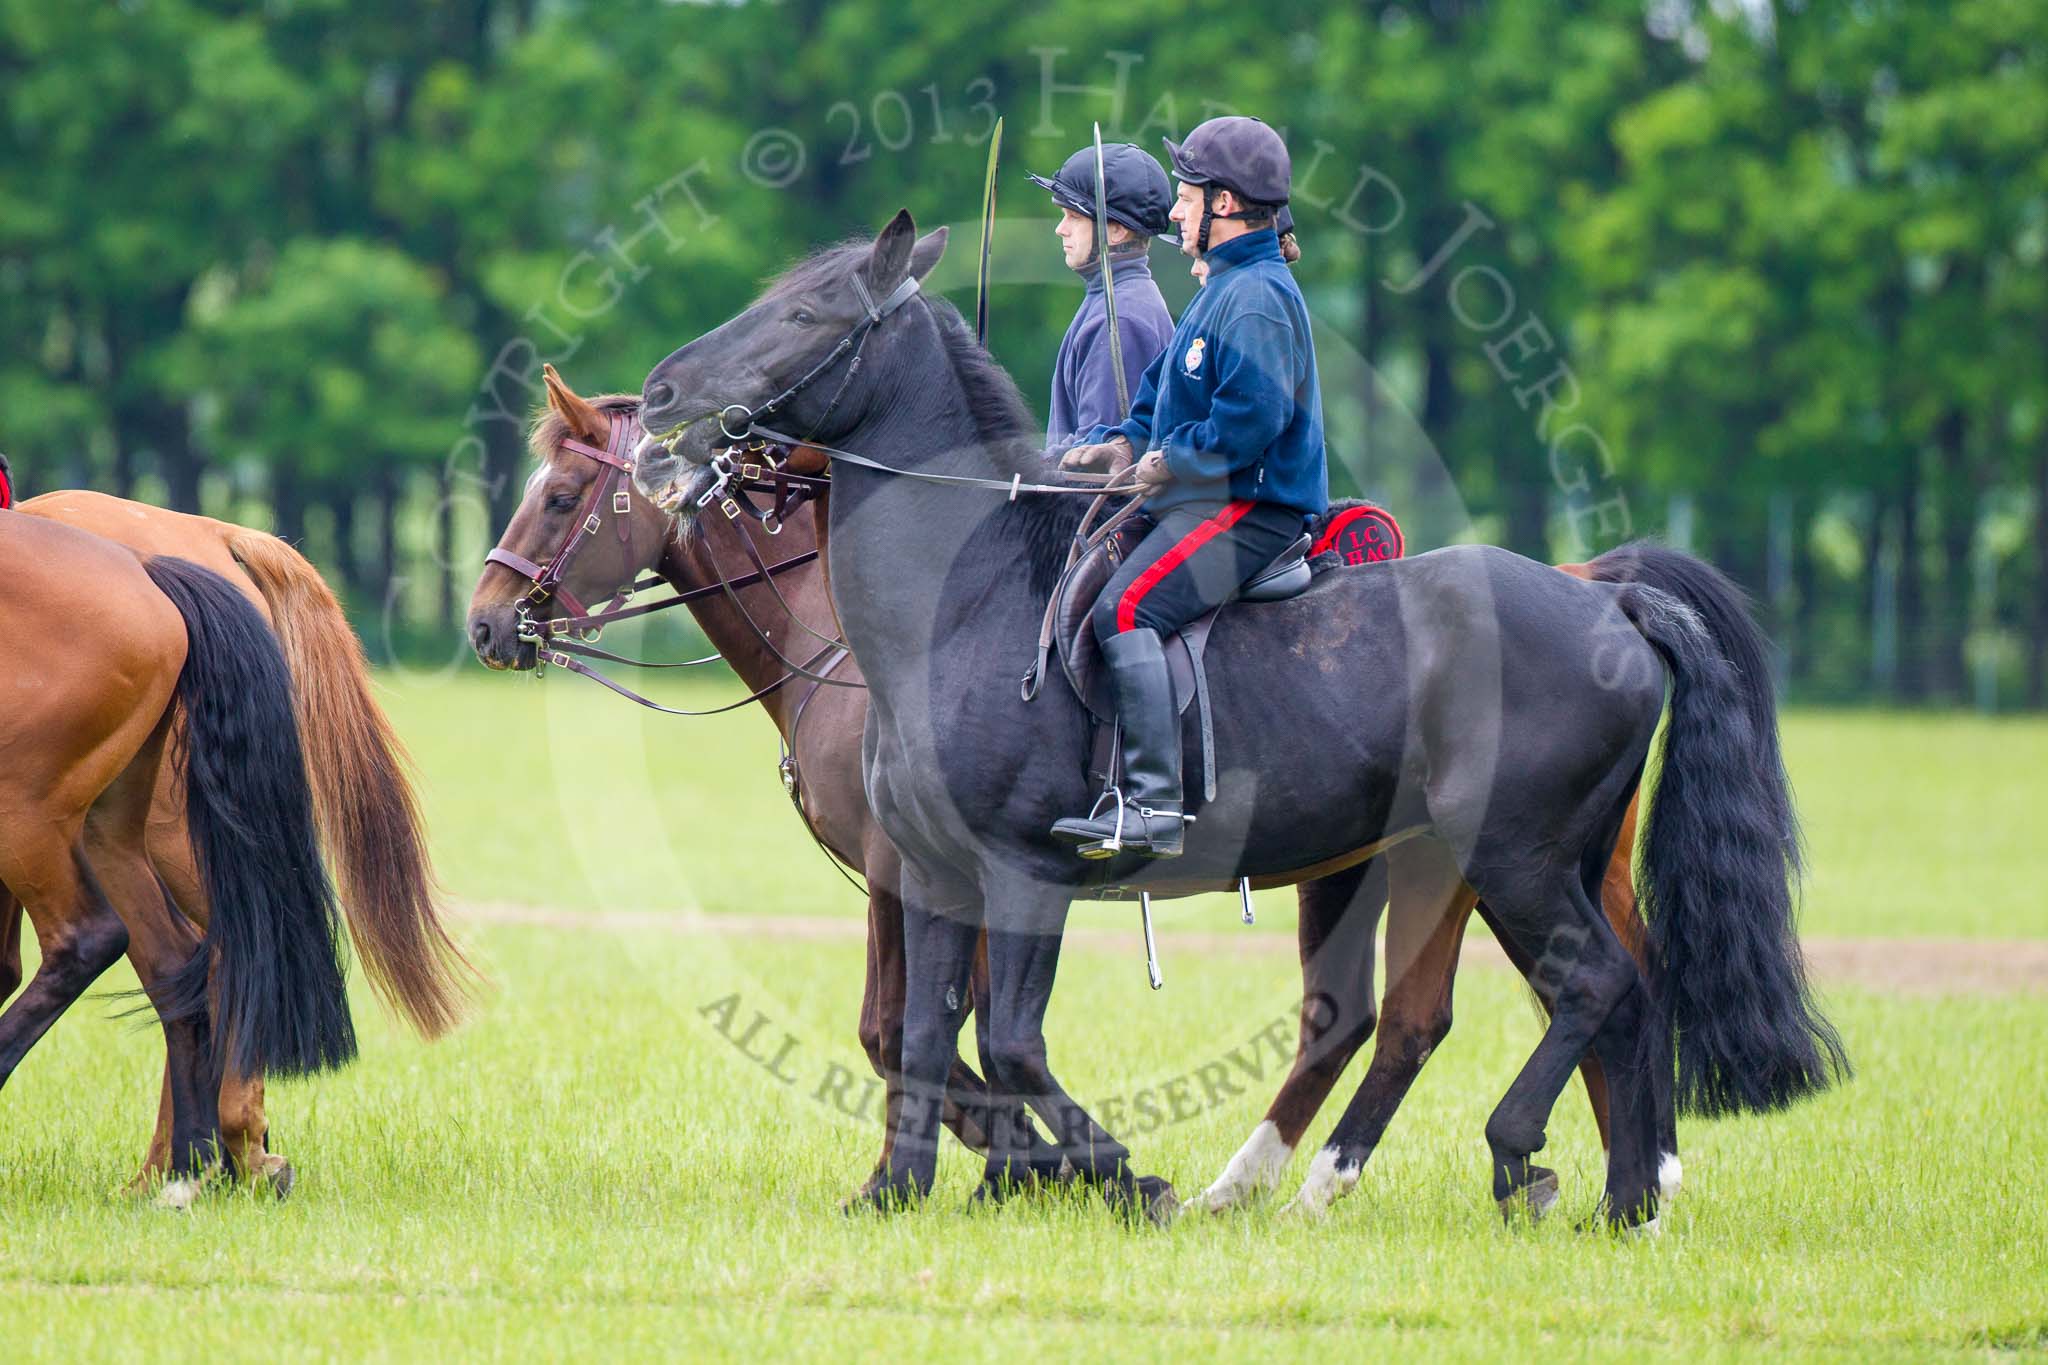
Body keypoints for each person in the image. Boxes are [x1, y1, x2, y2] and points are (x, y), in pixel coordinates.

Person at [1051, 116, 1328, 859]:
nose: (1175, 210)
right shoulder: (1223, 289)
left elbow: (1251, 421)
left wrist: (1167, 463)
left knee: (1129, 606)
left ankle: (1153, 809)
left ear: (1226, 204)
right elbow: (1161, 398)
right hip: (1212, 499)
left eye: (1187, 194)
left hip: (1254, 512)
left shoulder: (1258, 296)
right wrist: (1121, 447)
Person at [1029, 143, 1178, 451]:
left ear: (1116, 230)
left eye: (1073, 216)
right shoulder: (1111, 300)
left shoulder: (1121, 316)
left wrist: (1018, 468)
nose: (1060, 229)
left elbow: (1095, 463)